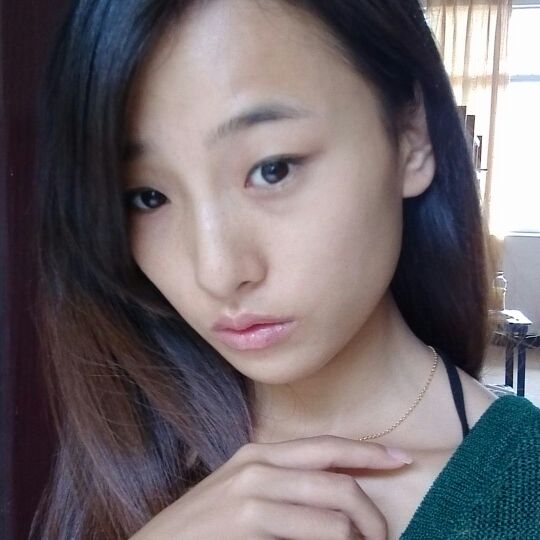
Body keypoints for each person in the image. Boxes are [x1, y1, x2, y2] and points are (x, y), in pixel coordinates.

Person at [31, 0, 540, 538]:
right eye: (147, 196)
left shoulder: (522, 493)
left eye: (272, 169)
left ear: (412, 138)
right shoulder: (128, 449)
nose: (217, 273)